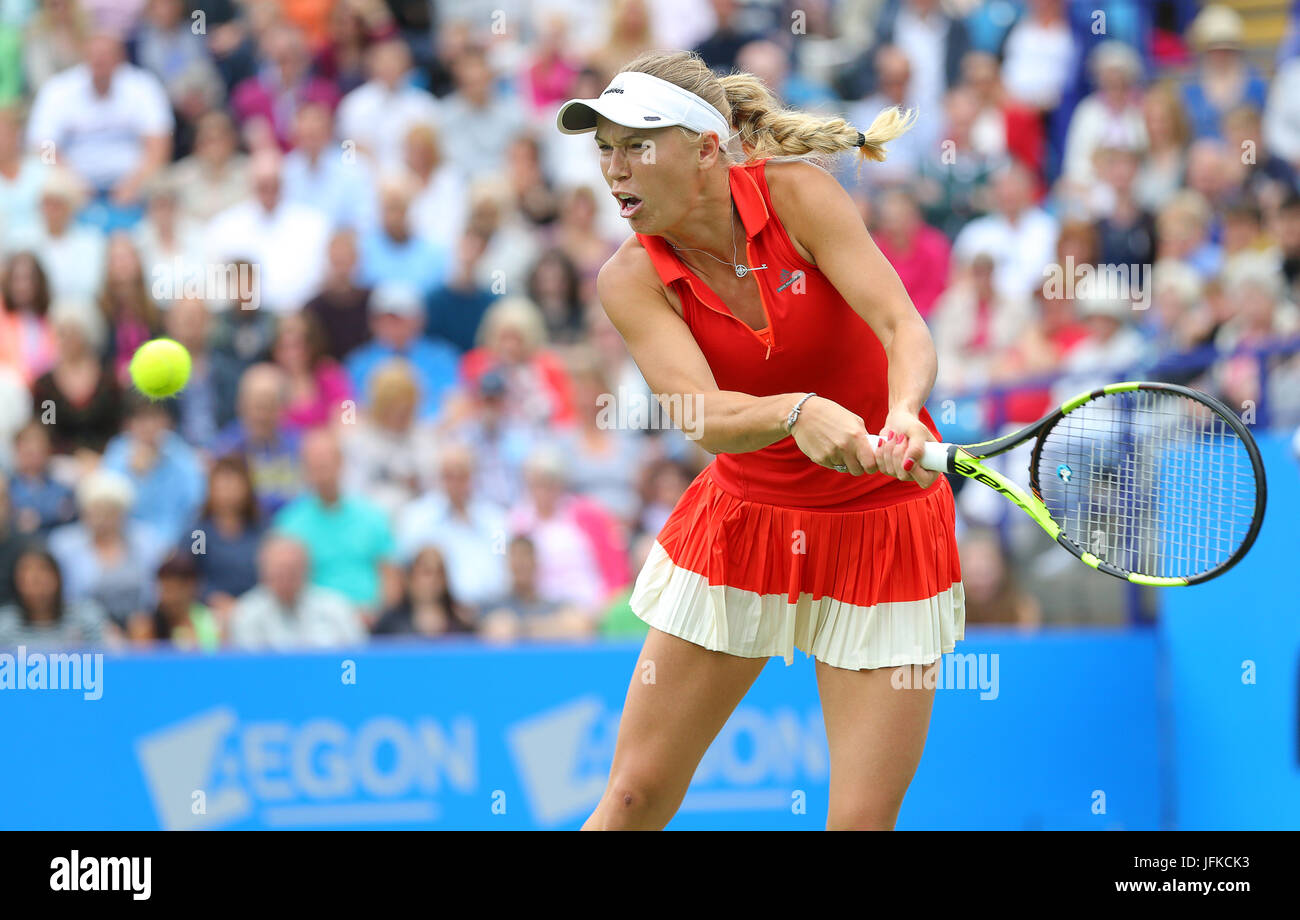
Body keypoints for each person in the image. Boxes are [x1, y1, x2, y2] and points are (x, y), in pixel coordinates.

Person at [554, 51, 963, 830]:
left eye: (637, 144)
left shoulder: (801, 195)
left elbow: (900, 323)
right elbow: (699, 413)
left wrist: (905, 410)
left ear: (707, 148)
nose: (614, 169)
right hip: (746, 527)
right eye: (604, 147)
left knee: (861, 823)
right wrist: (797, 411)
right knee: (635, 797)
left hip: (887, 530)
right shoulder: (628, 278)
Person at [228, 533, 366, 650]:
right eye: (278, 572)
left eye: (292, 571)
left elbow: (359, 658)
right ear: (263, 572)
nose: (285, 579)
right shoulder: (246, 612)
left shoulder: (336, 607)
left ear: (307, 570)